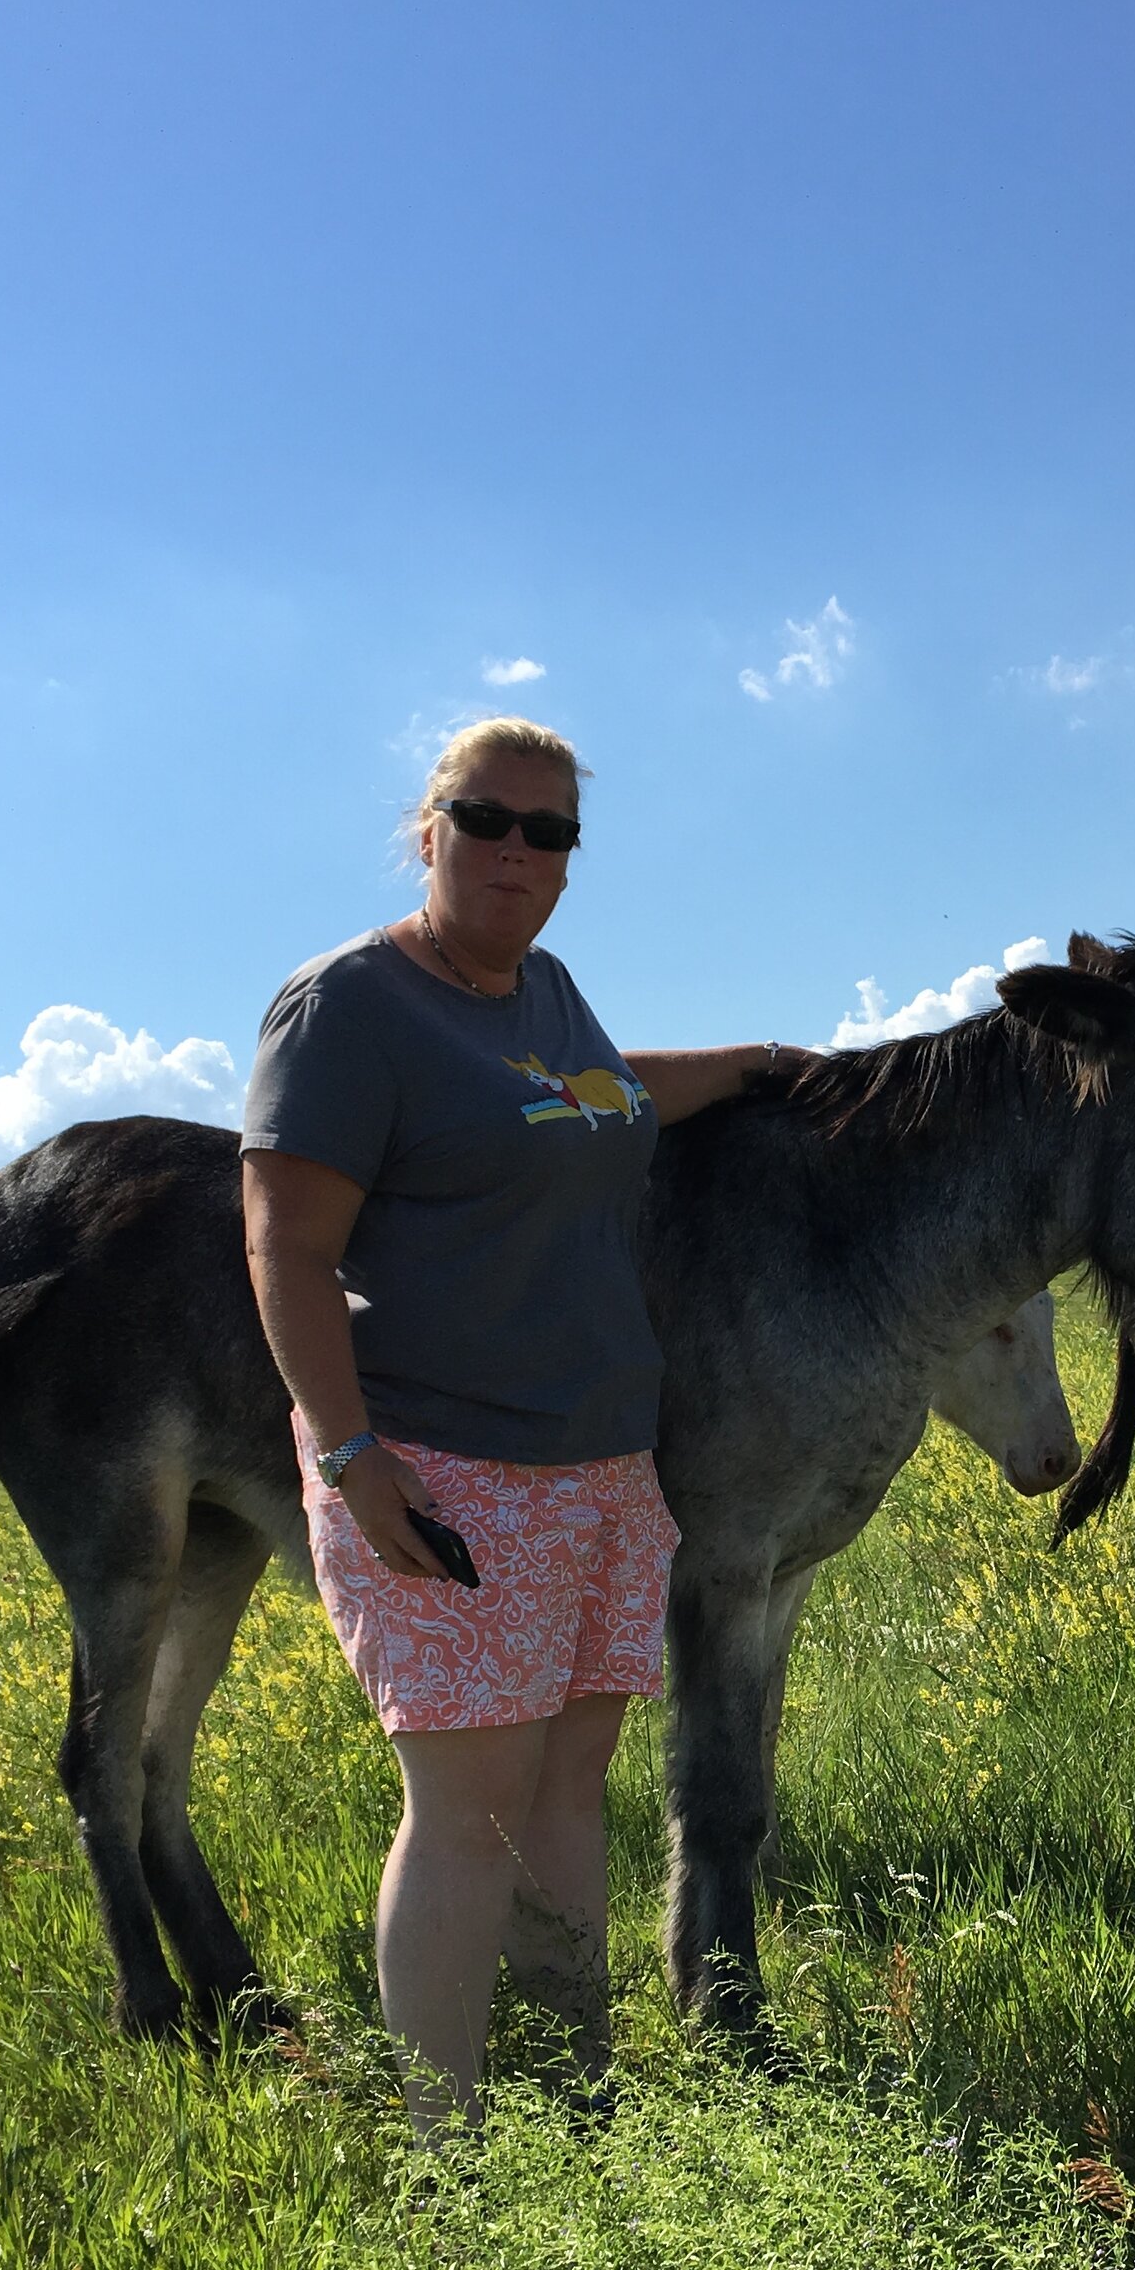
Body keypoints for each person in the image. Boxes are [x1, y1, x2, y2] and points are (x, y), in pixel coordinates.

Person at [240, 716, 791, 2130]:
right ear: (428, 829)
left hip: (599, 1459)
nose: (517, 852)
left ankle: (576, 2095)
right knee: (471, 1805)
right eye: (488, 820)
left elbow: (596, 1102)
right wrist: (354, 1461)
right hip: (442, 1465)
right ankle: (446, 2152)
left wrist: (752, 1065)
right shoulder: (350, 1006)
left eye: (551, 833)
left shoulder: (547, 991)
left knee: (568, 1788)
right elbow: (286, 1250)